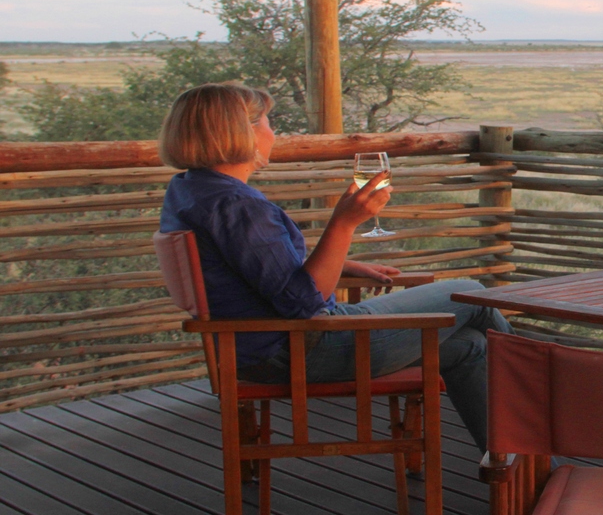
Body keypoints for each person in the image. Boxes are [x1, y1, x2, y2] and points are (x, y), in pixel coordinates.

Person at [157, 82, 513, 451]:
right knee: (471, 294)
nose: (273, 132)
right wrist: (344, 225)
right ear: (238, 131)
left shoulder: (190, 190)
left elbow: (254, 269)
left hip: (252, 351)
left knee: (470, 346)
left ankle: (514, 463)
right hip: (301, 349)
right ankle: (543, 393)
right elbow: (302, 302)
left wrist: (341, 260)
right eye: (266, 122)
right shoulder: (236, 205)